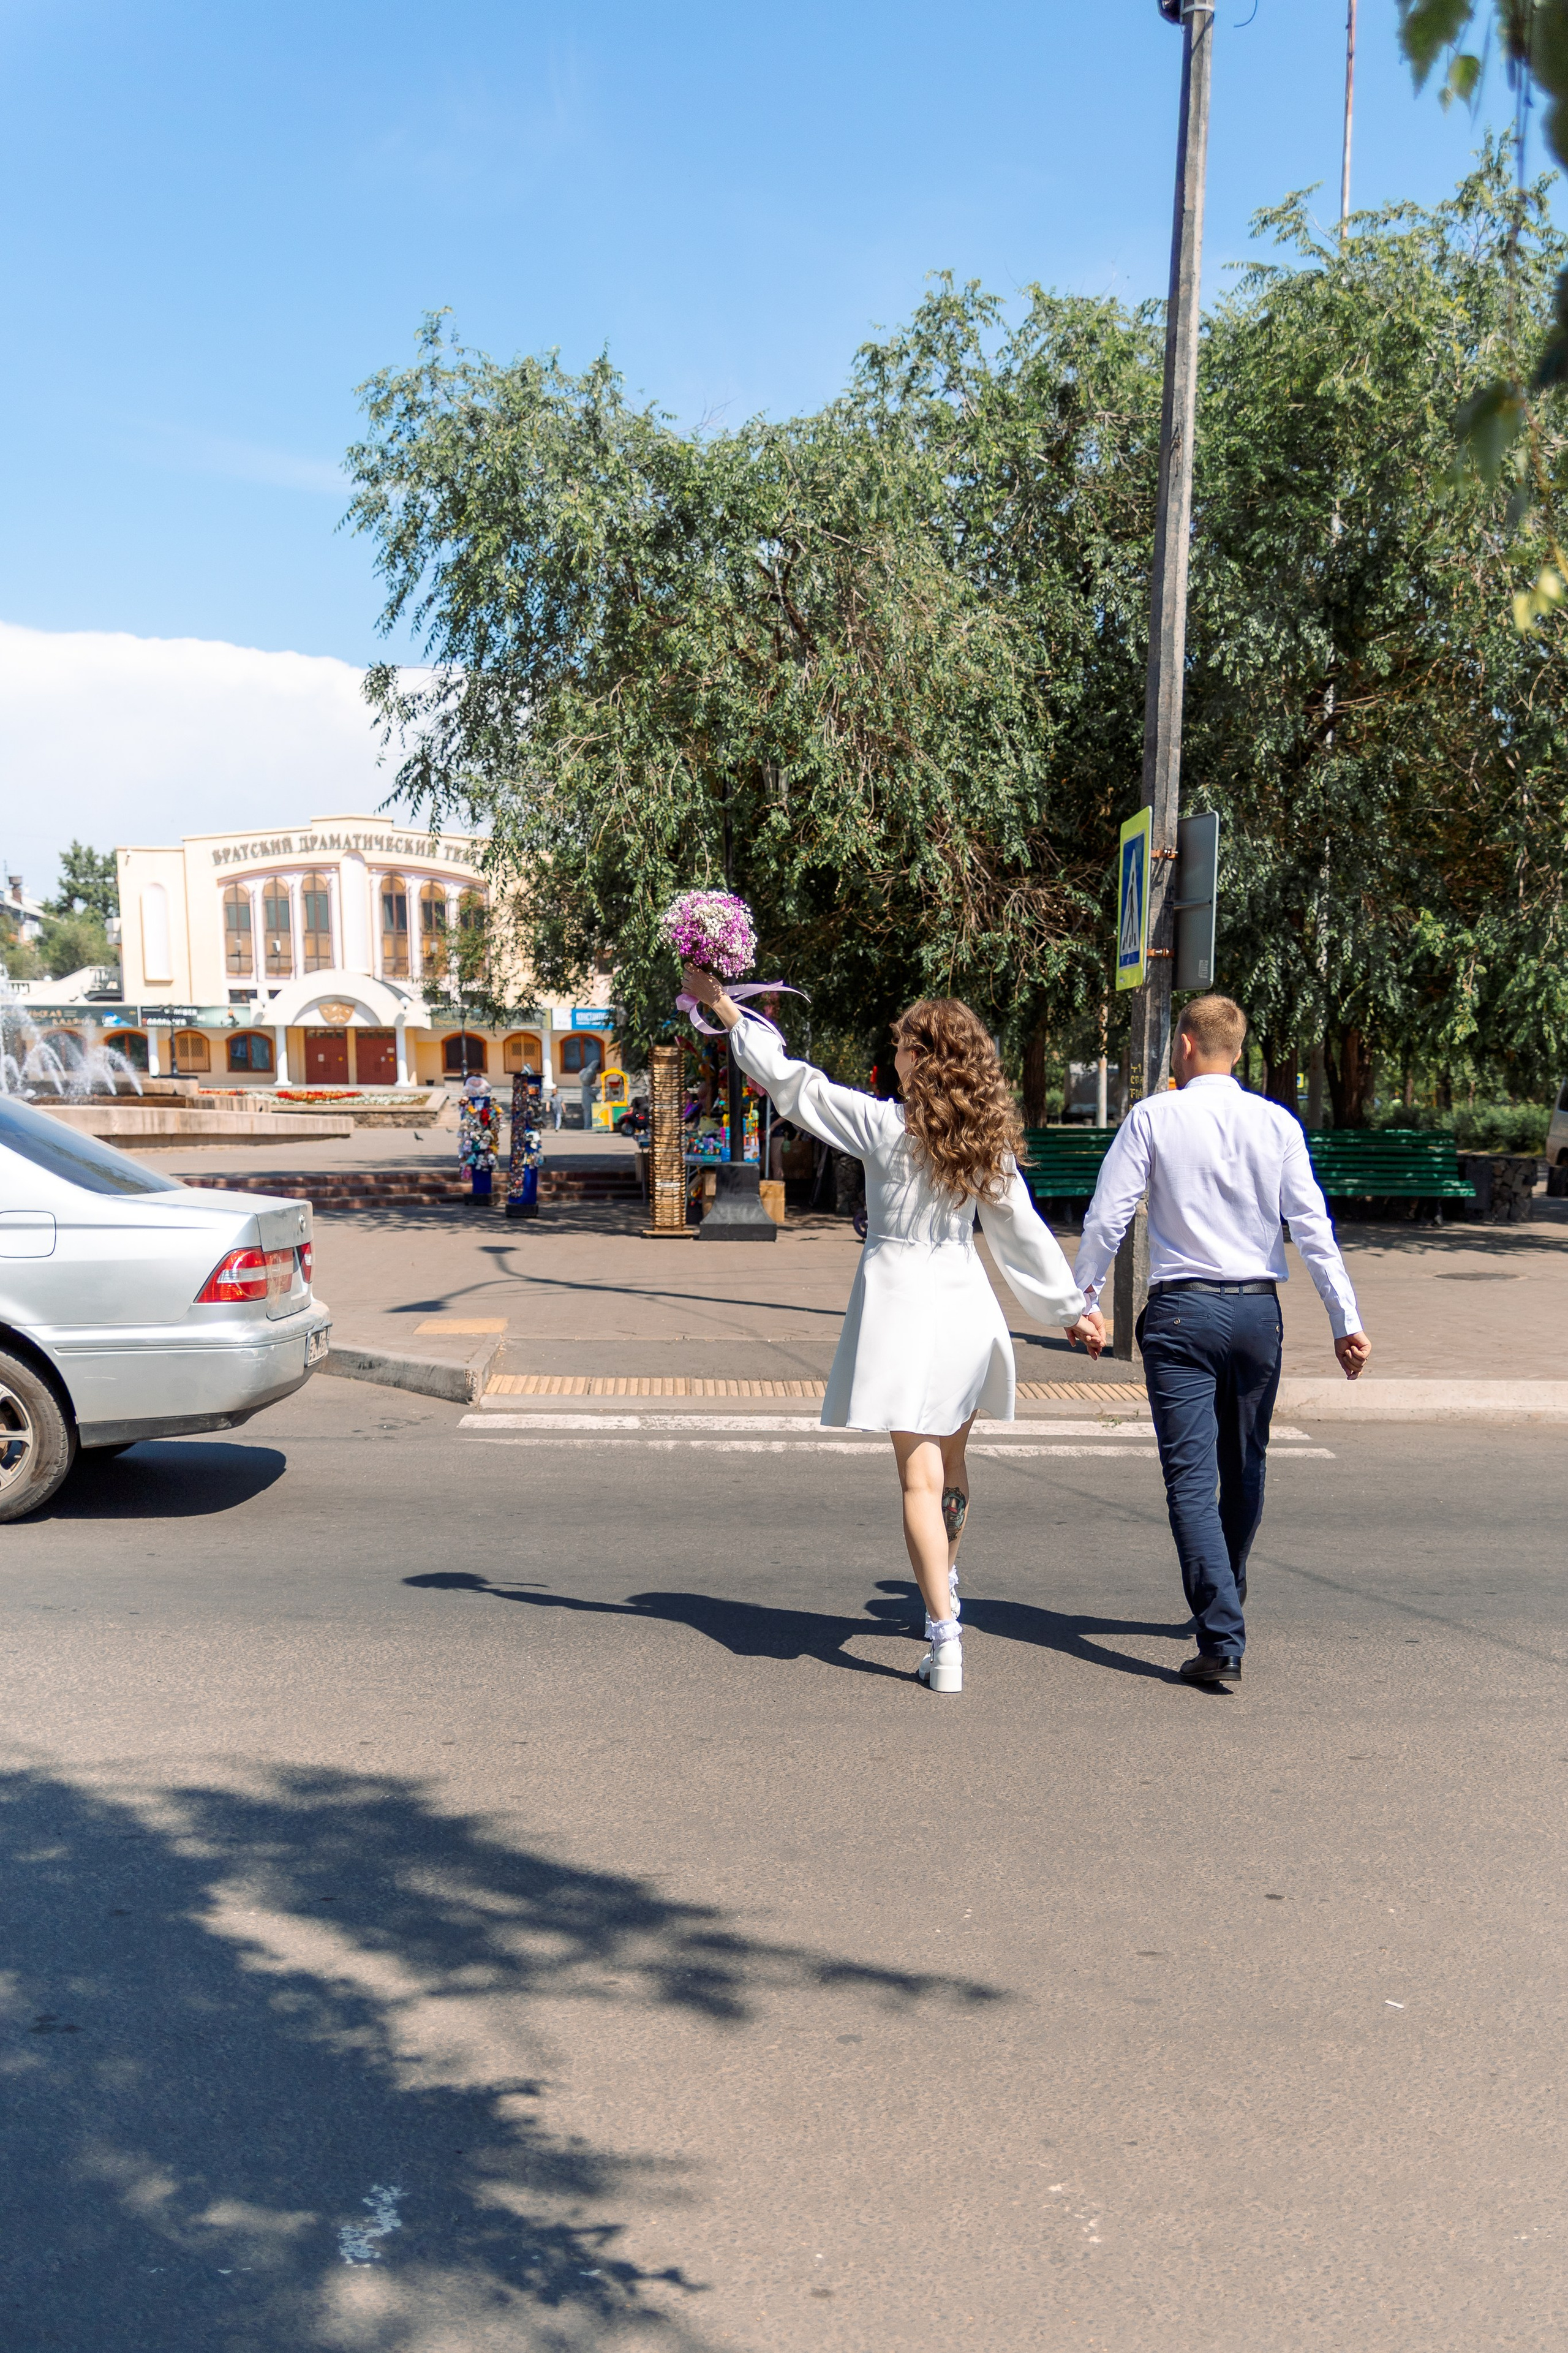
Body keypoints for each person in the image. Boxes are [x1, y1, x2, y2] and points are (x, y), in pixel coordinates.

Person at [682, 967, 1099, 1694]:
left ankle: (945, 1639)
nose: (896, 1054)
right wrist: (1071, 1309)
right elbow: (1022, 1237)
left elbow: (794, 1085)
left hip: (904, 1303)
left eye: (904, 1044)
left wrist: (722, 1008)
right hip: (966, 1302)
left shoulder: (883, 1127)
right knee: (953, 1468)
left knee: (917, 1475)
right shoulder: (984, 1144)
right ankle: (946, 1584)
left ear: (923, 1058)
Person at [1072, 994, 1371, 1688]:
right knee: (1244, 1469)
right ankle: (1226, 1593)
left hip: (1180, 1316)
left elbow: (1107, 1219)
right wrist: (1344, 1320)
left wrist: (1081, 1301)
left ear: (1183, 1045)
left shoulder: (1152, 1117)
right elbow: (1313, 1228)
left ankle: (1221, 1634)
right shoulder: (1277, 1123)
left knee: (1189, 1481)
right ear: (1235, 1050)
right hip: (1257, 1316)